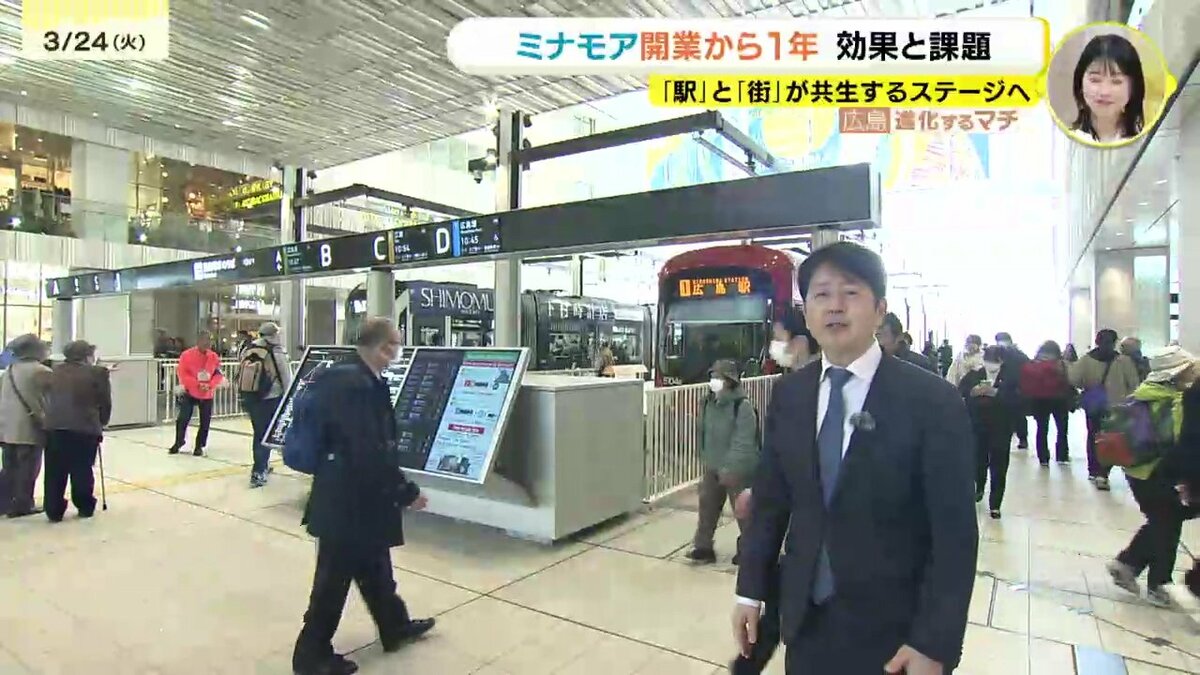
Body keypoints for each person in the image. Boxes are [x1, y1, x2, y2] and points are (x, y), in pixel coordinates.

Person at [733, 242, 978, 675]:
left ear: (879, 310)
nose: (835, 306)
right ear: (807, 312)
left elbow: (954, 534)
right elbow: (771, 502)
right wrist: (749, 591)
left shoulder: (932, 401)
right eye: (821, 294)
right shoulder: (790, 395)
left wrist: (933, 643)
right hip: (806, 624)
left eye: (850, 292)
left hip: (895, 638)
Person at [292, 317, 435, 675]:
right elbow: (369, 450)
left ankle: (394, 626)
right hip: (349, 502)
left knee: (375, 569)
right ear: (384, 348)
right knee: (332, 583)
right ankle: (310, 656)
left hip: (350, 497)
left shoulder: (346, 375)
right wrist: (406, 492)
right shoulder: (357, 386)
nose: (397, 352)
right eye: (396, 345)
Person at [1105, 346, 1200, 607]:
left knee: (1164, 520)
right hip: (1159, 470)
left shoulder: (1145, 392)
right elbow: (1183, 443)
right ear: (1177, 372)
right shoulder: (1177, 401)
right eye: (1190, 369)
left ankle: (1128, 564)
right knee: (1168, 523)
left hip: (1136, 469)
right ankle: (1158, 584)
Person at [686, 359, 760, 565]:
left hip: (738, 469)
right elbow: (703, 432)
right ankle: (703, 546)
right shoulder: (707, 403)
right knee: (707, 508)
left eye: (718, 377)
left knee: (743, 512)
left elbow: (743, 441)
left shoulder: (742, 406)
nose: (714, 381)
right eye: (712, 376)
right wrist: (705, 458)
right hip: (713, 465)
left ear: (729, 380)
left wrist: (732, 468)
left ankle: (750, 549)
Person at [42, 340, 111, 522]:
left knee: (55, 470)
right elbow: (105, 402)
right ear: (87, 356)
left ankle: (53, 509)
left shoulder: (54, 371)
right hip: (84, 427)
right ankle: (84, 505)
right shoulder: (98, 373)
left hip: (54, 427)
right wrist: (102, 422)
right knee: (82, 468)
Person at [1070, 329, 1141, 491]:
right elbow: (1134, 384)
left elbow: (1074, 379)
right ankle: (1105, 470)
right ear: (1115, 342)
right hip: (1118, 407)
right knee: (1114, 437)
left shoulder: (1086, 360)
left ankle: (1094, 469)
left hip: (1094, 405)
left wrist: (1088, 387)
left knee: (1093, 436)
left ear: (1096, 341)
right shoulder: (1123, 361)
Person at [962, 347, 1019, 518]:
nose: (990, 365)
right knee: (978, 460)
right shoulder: (975, 375)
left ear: (1001, 361)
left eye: (994, 361)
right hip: (978, 426)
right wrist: (973, 392)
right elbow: (961, 391)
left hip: (1001, 427)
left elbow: (1018, 400)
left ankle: (995, 504)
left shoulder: (1011, 377)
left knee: (999, 465)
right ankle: (979, 487)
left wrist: (996, 393)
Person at [0, 334, 52, 518]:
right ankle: (23, 504)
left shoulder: (9, 371)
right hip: (29, 429)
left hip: (7, 429)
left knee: (9, 469)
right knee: (28, 469)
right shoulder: (41, 371)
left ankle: (4, 503)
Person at [237, 322, 291, 488]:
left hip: (251, 398)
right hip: (271, 398)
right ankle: (259, 471)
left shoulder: (248, 349)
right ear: (274, 335)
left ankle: (262, 465)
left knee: (259, 433)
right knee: (266, 435)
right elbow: (286, 377)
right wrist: (289, 397)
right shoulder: (276, 351)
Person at [1069, 33, 1147, 144]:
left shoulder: (1148, 142)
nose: (1104, 92)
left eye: (1116, 82)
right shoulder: (1065, 141)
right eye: (1095, 80)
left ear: (1133, 87)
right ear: (1080, 83)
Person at [169, 332, 224, 456]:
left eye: (209, 341)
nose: (207, 343)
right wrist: (197, 384)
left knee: (205, 421)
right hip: (190, 391)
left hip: (207, 393)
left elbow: (218, 374)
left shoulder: (213, 357)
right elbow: (183, 374)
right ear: (198, 341)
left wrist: (210, 385)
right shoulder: (186, 355)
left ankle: (199, 445)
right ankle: (179, 441)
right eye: (205, 340)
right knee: (182, 419)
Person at [1020, 341, 1074, 466]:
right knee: (1062, 429)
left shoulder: (1032, 364)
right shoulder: (1060, 364)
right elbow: (1068, 380)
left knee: (1042, 429)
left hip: (1038, 399)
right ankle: (1062, 455)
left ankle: (1043, 458)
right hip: (1059, 399)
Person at [994, 332, 1031, 450]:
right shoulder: (999, 354)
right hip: (1007, 389)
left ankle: (1022, 438)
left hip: (1016, 389)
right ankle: (1017, 438)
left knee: (1018, 416)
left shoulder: (1018, 355)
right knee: (1011, 416)